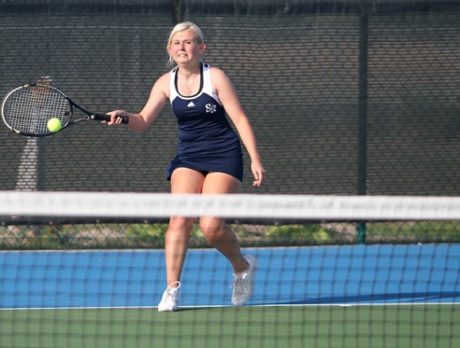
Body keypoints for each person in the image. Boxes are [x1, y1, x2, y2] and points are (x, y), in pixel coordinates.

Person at [106, 21, 265, 312]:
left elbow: (240, 119)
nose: (182, 47)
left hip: (223, 156)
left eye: (189, 42)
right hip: (188, 157)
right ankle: (172, 290)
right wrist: (125, 116)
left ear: (201, 47)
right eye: (177, 43)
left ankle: (242, 267)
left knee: (211, 226)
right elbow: (142, 122)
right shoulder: (165, 83)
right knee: (179, 220)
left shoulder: (215, 77)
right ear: (170, 49)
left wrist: (254, 157)